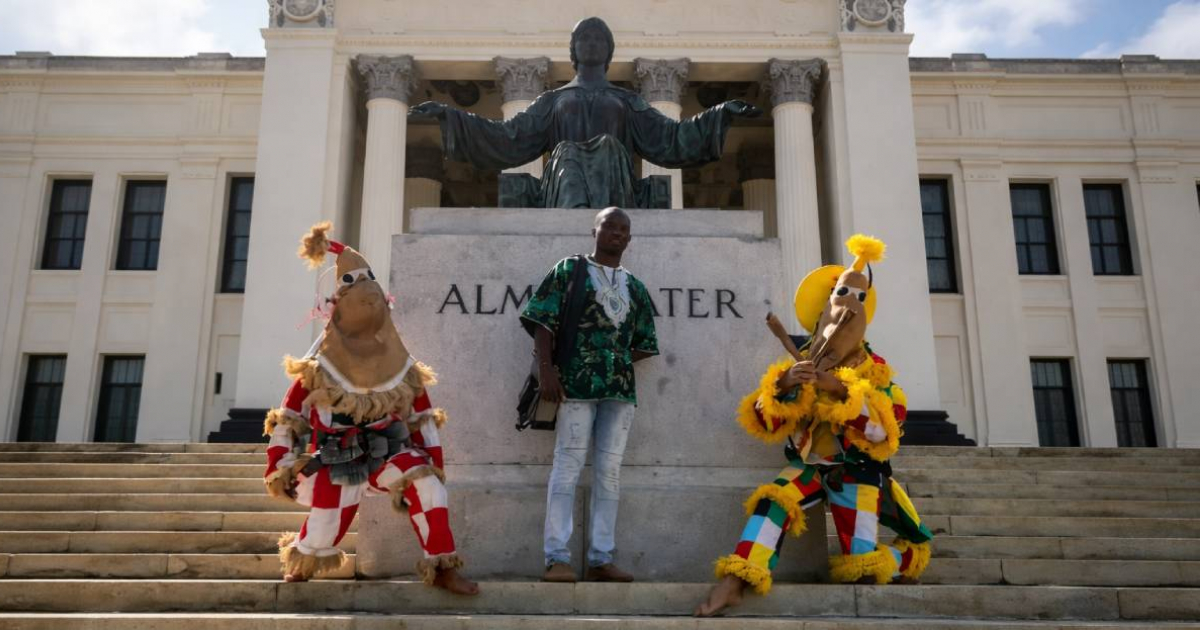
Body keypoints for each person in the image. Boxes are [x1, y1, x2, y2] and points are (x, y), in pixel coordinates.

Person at [696, 234, 933, 616]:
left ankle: (898, 563)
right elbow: (762, 419)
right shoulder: (801, 361)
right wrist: (786, 384)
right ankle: (734, 582)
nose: (846, 311)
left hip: (857, 474)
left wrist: (840, 391)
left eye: (857, 300)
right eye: (840, 298)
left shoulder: (878, 373)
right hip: (809, 465)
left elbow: (886, 433)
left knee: (862, 569)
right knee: (774, 500)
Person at [261, 222, 478, 595]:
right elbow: (287, 418)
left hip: (389, 451)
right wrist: (281, 463)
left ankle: (442, 566)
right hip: (336, 456)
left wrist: (432, 462)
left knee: (427, 486)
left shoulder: (401, 365)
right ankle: (304, 559)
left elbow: (422, 419)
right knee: (330, 515)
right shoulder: (318, 367)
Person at [409, 17, 760, 209]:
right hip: (561, 184)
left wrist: (720, 114)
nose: (591, 43)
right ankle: (575, 222)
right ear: (573, 51)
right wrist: (449, 116)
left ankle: (600, 225)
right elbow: (509, 137)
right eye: (584, 38)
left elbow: (669, 139)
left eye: (598, 39)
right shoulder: (552, 100)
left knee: (606, 146)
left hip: (616, 187)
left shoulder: (626, 101)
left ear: (608, 51)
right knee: (567, 152)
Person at [520, 207, 659, 582]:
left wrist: (612, 360)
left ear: (629, 238)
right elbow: (541, 321)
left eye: (623, 229)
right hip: (574, 388)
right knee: (567, 467)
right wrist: (548, 369)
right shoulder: (569, 270)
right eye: (609, 226)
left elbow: (646, 342)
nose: (616, 233)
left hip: (619, 393)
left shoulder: (636, 286)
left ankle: (601, 558)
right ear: (594, 230)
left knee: (609, 474)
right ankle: (557, 557)